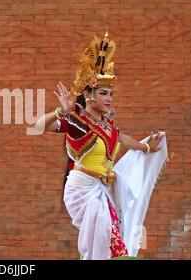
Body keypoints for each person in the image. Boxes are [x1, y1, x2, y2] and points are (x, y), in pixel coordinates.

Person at [34, 32, 167, 260]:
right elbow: (37, 126)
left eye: (111, 94)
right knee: (111, 241)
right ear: (88, 95)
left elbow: (123, 139)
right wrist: (59, 112)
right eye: (103, 93)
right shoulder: (78, 123)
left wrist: (146, 148)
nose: (109, 99)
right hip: (83, 189)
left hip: (103, 190)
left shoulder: (107, 126)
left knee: (112, 242)